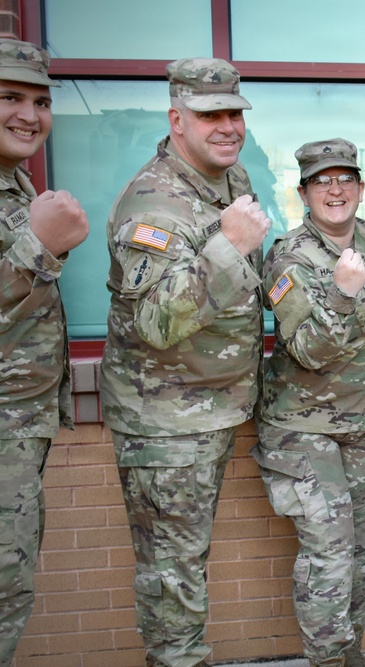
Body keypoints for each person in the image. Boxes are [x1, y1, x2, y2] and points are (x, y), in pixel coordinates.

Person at [100, 57, 270, 667]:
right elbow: (157, 322)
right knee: (173, 579)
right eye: (209, 115)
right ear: (176, 119)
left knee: (185, 564)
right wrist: (231, 247)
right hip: (166, 424)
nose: (227, 126)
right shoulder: (155, 203)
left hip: (208, 410)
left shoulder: (228, 180)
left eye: (234, 113)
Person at [251, 138, 365, 667]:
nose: (335, 189)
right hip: (304, 431)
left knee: (357, 556)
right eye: (322, 180)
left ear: (362, 189)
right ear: (303, 193)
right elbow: (308, 350)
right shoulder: (285, 257)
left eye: (345, 178)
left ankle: (349, 656)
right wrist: (341, 293)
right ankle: (328, 661)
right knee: (330, 557)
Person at [0, 39, 89, 666]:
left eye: (40, 100)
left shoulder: (15, 183)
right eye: (9, 97)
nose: (29, 115)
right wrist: (40, 246)